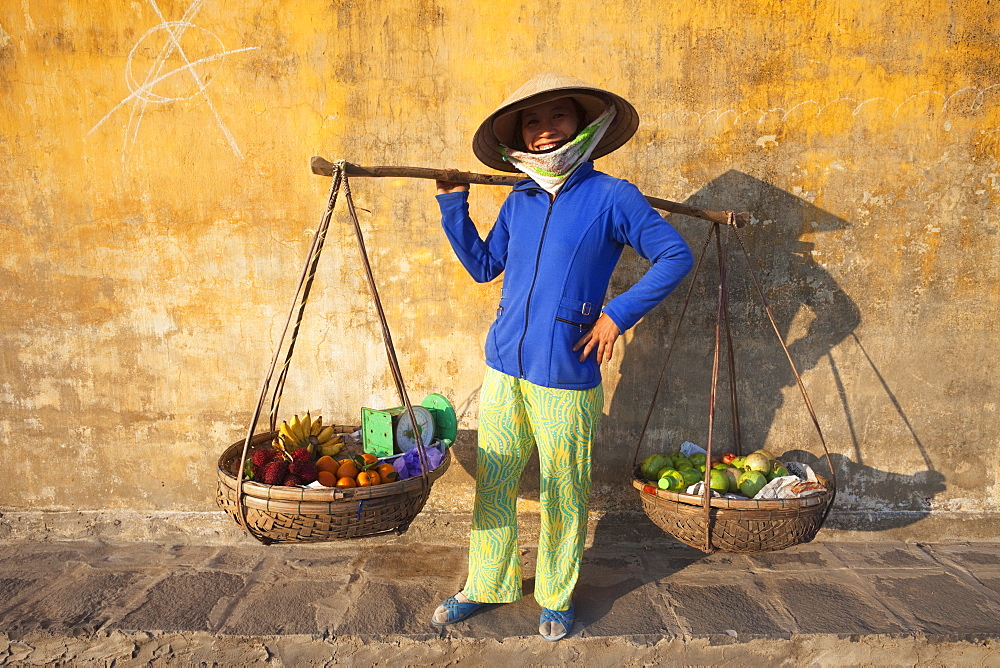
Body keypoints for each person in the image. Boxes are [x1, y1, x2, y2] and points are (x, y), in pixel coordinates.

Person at [430, 72, 693, 641]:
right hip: (504, 366)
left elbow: (675, 254)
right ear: (521, 138)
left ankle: (555, 593)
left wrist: (616, 315)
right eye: (533, 121)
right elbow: (483, 266)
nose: (545, 132)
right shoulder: (520, 199)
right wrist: (454, 206)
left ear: (583, 126)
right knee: (495, 479)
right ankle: (488, 583)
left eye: (558, 118)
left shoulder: (612, 197)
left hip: (568, 372)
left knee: (563, 486)